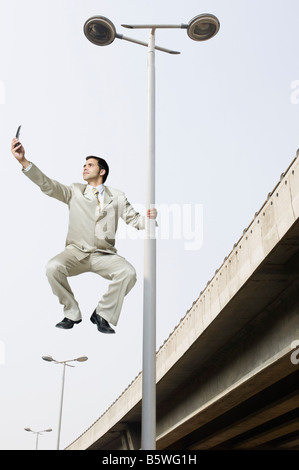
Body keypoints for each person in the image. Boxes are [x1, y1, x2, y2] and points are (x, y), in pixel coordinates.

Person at [11, 136, 157, 334]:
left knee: (128, 273)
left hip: (103, 255)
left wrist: (149, 219)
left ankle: (102, 314)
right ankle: (71, 312)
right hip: (76, 253)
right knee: (53, 267)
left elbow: (135, 220)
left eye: (90, 165)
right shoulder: (75, 191)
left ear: (102, 171)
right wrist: (23, 161)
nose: (85, 168)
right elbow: (48, 185)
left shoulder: (118, 197)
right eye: (84, 165)